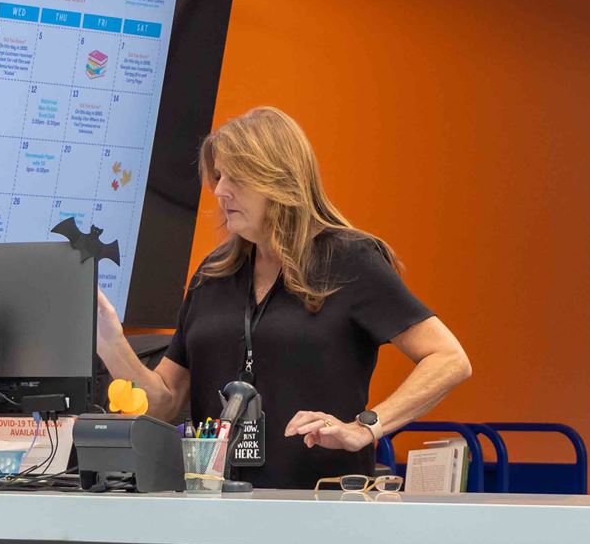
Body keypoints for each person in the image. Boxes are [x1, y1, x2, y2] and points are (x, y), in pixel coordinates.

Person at [95, 106, 472, 490]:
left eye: (235, 177)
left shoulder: (347, 259)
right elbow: (162, 402)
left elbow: (448, 359)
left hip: (319, 508)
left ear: (278, 178)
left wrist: (366, 427)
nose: (220, 190)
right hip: (213, 505)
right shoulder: (213, 274)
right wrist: (108, 339)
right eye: (219, 176)